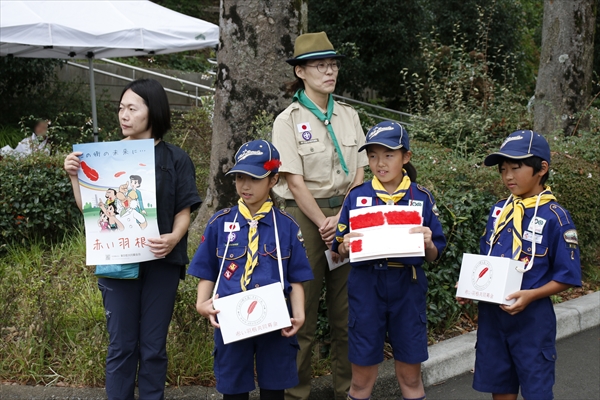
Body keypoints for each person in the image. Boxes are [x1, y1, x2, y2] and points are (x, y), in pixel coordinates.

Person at [63, 78, 202, 400]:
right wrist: (75, 176)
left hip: (162, 262)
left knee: (153, 346)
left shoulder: (176, 158)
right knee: (121, 346)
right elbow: (92, 210)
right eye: (121, 108)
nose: (123, 115)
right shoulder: (105, 157)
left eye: (132, 108)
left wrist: (174, 238)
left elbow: (184, 209)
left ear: (152, 112)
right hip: (118, 263)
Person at [271, 31, 368, 400]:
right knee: (302, 309)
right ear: (300, 71)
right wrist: (326, 225)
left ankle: (349, 389)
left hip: (346, 211)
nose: (330, 71)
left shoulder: (349, 115)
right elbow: (293, 181)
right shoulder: (288, 120)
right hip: (303, 219)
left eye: (333, 64)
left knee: (347, 311)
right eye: (320, 65)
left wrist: (341, 217)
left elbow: (360, 169)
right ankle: (297, 392)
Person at [457, 130, 582, 400]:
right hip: (492, 319)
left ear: (542, 169)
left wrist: (531, 295)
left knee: (537, 391)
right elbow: (487, 262)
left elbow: (568, 275)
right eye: (503, 170)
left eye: (516, 167)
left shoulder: (556, 218)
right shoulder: (498, 211)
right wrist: (470, 286)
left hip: (532, 321)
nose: (508, 176)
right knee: (500, 388)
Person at [188, 140, 314, 400]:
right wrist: (202, 303)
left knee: (274, 390)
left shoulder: (287, 227)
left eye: (254, 178)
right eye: (240, 177)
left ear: (273, 179)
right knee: (233, 390)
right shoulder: (220, 223)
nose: (245, 185)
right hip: (231, 319)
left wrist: (298, 313)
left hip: (275, 322)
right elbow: (208, 270)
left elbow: (298, 276)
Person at [331, 121, 446, 400]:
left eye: (389, 155)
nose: (380, 163)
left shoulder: (420, 197)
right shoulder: (357, 196)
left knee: (410, 377)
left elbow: (434, 255)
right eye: (372, 155)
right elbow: (337, 249)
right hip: (366, 285)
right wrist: (345, 246)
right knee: (360, 382)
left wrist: (429, 242)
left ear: (406, 157)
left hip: (407, 285)